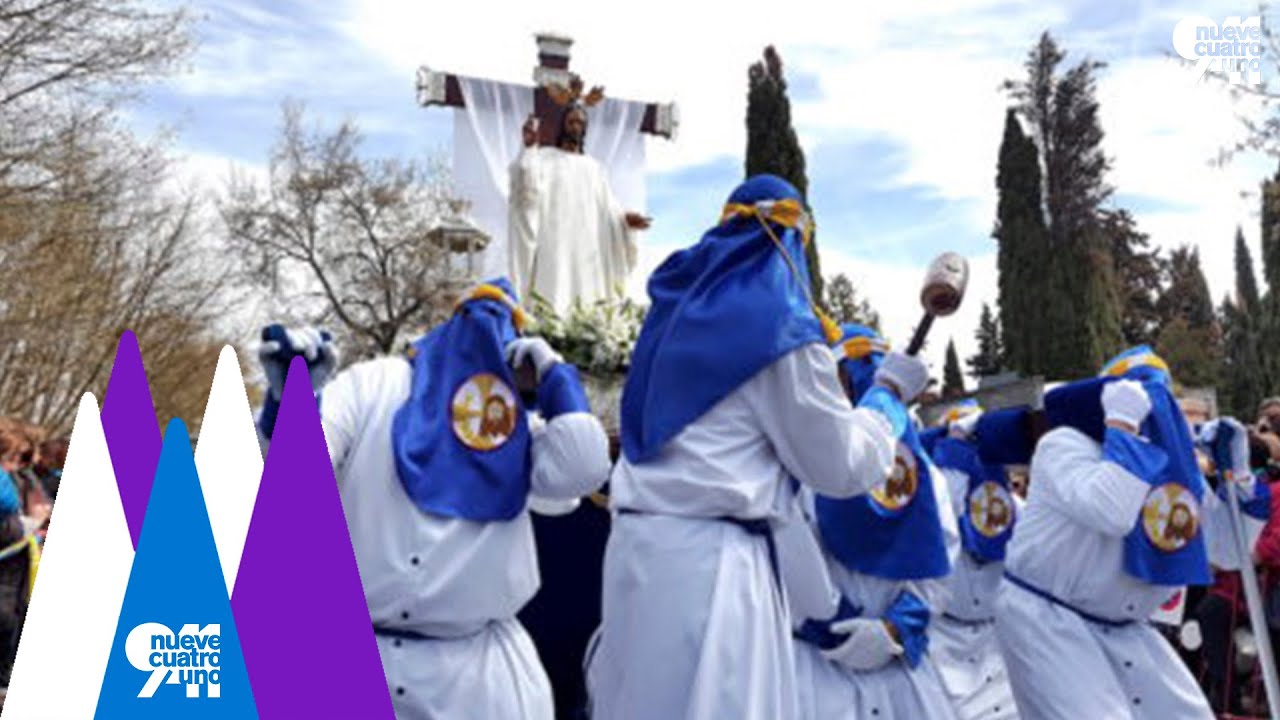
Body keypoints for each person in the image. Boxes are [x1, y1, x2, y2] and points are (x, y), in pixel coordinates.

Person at [586, 175, 925, 719]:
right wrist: (887, 400)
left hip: (641, 552)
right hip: (716, 568)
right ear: (793, 247)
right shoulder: (780, 329)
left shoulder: (669, 319)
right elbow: (840, 466)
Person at [258, 278, 612, 720]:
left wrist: (556, 378)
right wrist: (290, 403)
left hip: (475, 679)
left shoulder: (515, 424)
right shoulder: (374, 385)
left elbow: (582, 467)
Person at [994, 346, 1271, 719]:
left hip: (1124, 626)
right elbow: (1109, 509)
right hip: (1050, 620)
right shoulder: (1064, 445)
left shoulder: (1174, 468)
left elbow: (1229, 552)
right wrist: (1123, 428)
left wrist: (1237, 478)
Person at [789, 324, 960, 720]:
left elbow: (940, 561)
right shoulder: (796, 461)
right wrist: (829, 624)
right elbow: (783, 552)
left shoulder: (926, 474)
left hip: (901, 672)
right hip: (814, 668)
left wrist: (896, 628)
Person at [927, 401, 1024, 720]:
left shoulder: (1017, 510)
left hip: (998, 641)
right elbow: (942, 522)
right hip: (944, 642)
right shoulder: (938, 503)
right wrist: (954, 452)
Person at [507, 104, 650, 313]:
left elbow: (609, 210)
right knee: (554, 297)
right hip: (555, 245)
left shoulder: (594, 168)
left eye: (581, 123)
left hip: (589, 252)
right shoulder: (544, 158)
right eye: (571, 121)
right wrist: (528, 149)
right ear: (562, 125)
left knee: (589, 303)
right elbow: (526, 191)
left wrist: (625, 222)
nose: (575, 127)